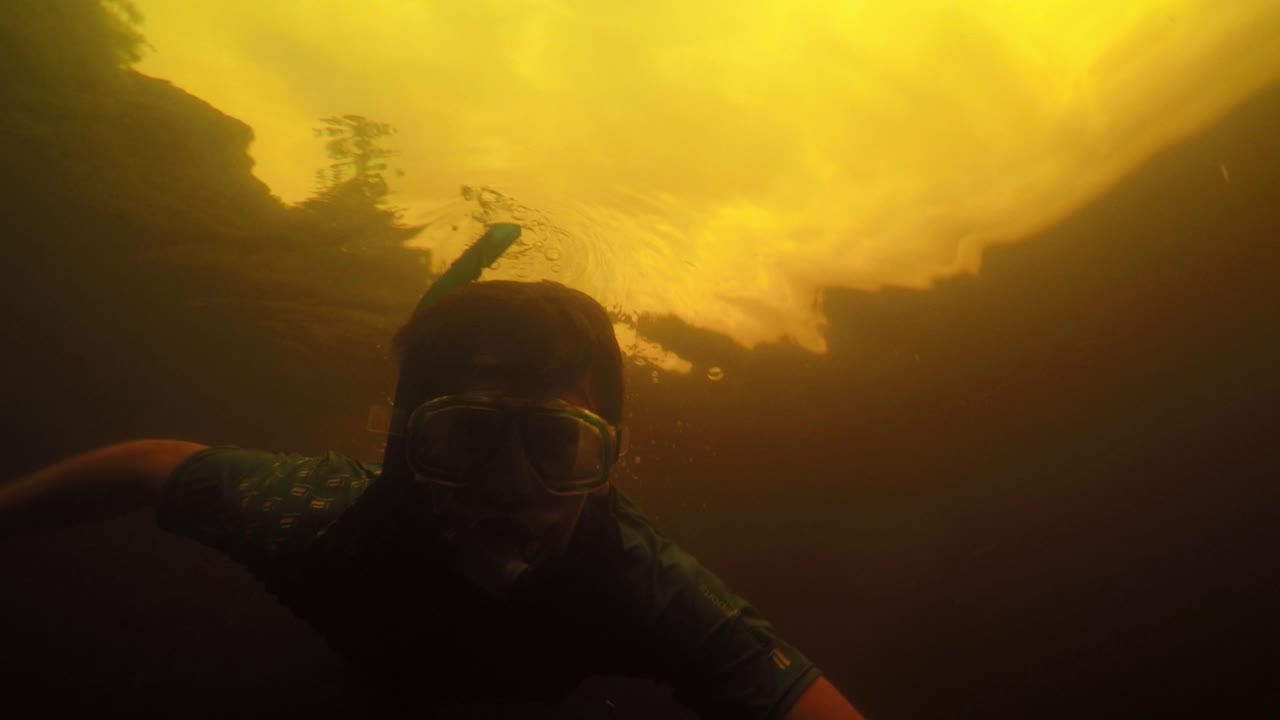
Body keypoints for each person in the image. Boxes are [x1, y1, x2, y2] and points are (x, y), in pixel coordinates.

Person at [1, 279, 864, 719]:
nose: (511, 489)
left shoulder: (642, 583)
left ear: (607, 461)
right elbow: (151, 460)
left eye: (558, 443)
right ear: (403, 446)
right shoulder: (320, 519)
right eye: (467, 437)